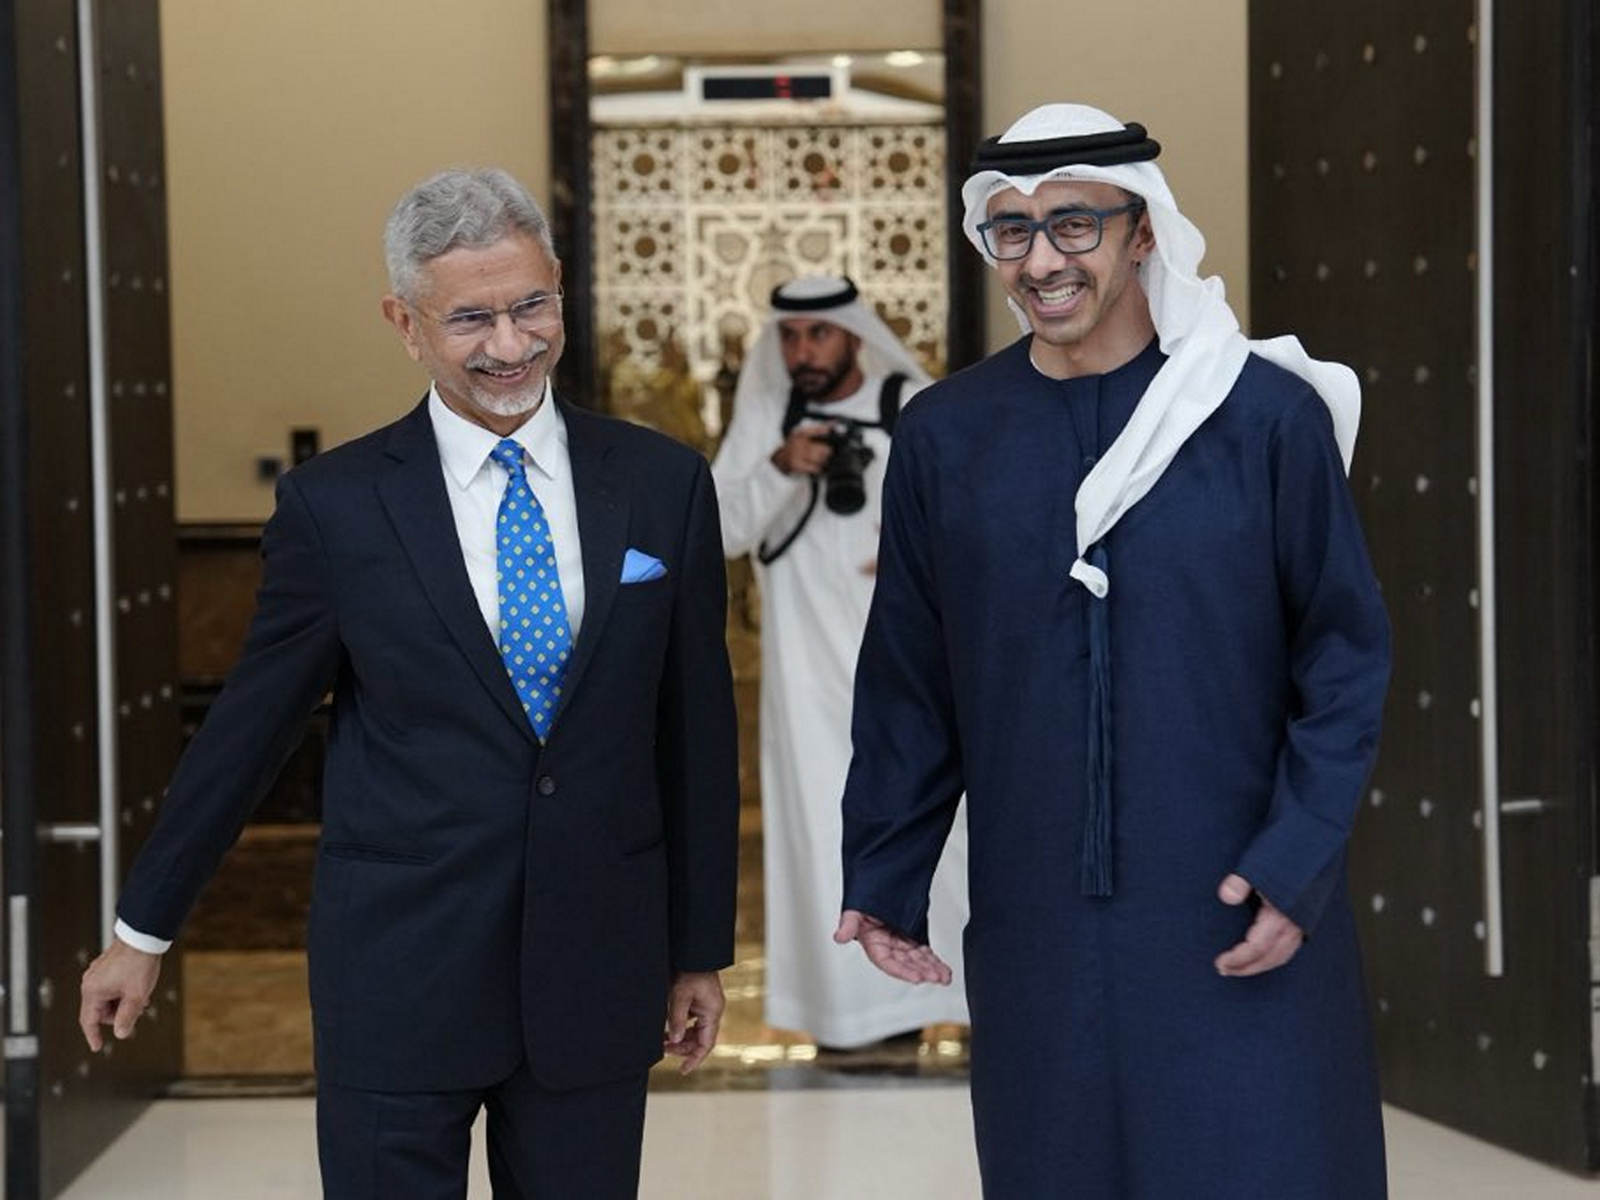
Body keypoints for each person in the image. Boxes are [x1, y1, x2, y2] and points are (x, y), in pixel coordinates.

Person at [78, 167, 740, 1199]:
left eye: (530, 306)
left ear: (559, 287)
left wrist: (699, 950)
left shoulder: (663, 486)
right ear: (406, 322)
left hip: (595, 968)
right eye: (470, 317)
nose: (511, 345)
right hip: (400, 971)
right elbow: (250, 732)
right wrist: (141, 932)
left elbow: (695, 732)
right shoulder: (336, 509)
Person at [833, 104, 1392, 1198]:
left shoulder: (1261, 420)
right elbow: (911, 673)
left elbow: (1342, 661)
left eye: (1074, 225)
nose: (1041, 261)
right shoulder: (948, 437)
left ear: (1143, 234)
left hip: (1234, 904)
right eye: (1011, 231)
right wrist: (885, 871)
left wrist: (1293, 867)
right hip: (1037, 916)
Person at [712, 276, 968, 1050]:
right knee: (825, 833)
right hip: (806, 684)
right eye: (789, 337)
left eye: (819, 334)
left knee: (945, 835)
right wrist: (782, 467)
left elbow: (984, 521)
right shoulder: (768, 413)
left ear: (856, 334)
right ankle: (852, 1022)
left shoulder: (917, 405)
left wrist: (917, 548)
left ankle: (951, 1000)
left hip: (916, 675)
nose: (802, 352)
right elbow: (719, 528)